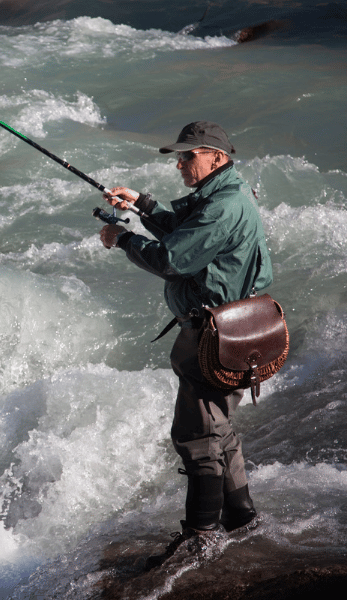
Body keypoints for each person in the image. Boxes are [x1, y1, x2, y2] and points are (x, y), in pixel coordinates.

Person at [99, 121, 272, 552]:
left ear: (217, 157)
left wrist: (123, 238)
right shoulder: (225, 194)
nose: (180, 163)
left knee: (196, 437)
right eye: (180, 156)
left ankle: (201, 535)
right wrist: (143, 205)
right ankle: (242, 518)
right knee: (220, 430)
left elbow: (174, 259)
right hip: (235, 328)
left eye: (188, 155)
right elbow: (186, 231)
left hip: (214, 336)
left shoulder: (223, 205)